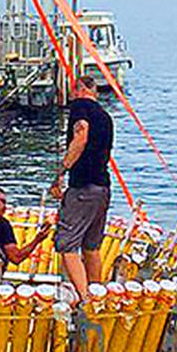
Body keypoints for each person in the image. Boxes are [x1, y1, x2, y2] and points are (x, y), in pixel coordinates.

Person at [50, 76, 113, 302]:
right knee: (92, 246)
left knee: (66, 244)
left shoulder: (80, 107)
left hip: (83, 187)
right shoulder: (106, 117)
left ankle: (85, 298)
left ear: (79, 89)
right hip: (102, 187)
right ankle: (96, 294)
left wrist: (61, 172)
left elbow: (81, 135)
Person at [0, 186, 52, 284]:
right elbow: (16, 258)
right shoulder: (0, 222)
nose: (5, 207)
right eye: (3, 202)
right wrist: (37, 239)